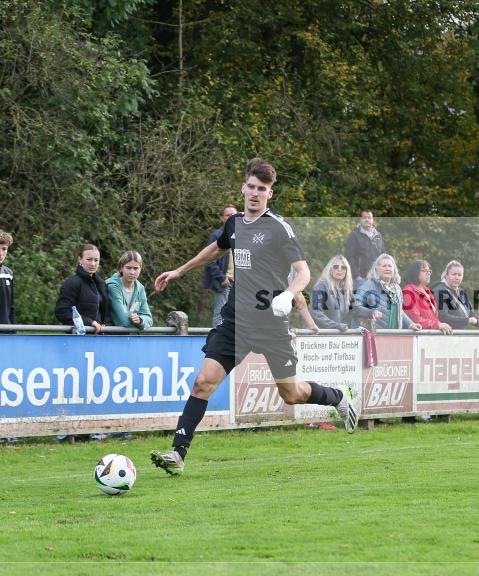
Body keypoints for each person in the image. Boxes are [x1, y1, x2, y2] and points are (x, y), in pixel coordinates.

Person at [149, 158, 362, 476]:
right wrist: (180, 270)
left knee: (290, 395)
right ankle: (178, 454)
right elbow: (217, 248)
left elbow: (303, 271)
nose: (255, 193)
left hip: (272, 323)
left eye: (262, 189)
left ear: (269, 194)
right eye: (251, 186)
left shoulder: (278, 229)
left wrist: (289, 295)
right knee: (202, 383)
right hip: (236, 320)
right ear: (243, 187)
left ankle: (338, 396)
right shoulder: (234, 223)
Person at [352, 254, 422, 331]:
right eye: (384, 266)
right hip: (373, 335)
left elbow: (399, 311)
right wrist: (371, 313)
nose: (387, 268)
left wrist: (411, 324)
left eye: (390, 266)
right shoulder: (369, 285)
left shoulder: (397, 289)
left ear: (394, 269)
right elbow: (355, 305)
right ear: (376, 269)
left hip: (393, 336)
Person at [54, 244, 110, 334]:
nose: (93, 264)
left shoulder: (101, 284)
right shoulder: (72, 283)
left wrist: (105, 324)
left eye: (96, 260)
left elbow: (106, 313)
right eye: (89, 259)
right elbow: (62, 312)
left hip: (99, 338)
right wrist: (90, 322)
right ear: (80, 259)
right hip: (77, 338)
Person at [203, 205, 237, 328]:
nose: (232, 217)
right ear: (222, 218)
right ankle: (216, 343)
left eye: (234, 214)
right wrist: (222, 277)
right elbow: (209, 260)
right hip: (225, 282)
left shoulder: (244, 235)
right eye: (228, 215)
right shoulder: (217, 235)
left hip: (241, 283)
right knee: (220, 313)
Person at [106, 251, 154, 330]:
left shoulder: (140, 288)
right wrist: (140, 326)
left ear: (140, 268)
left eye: (136, 268)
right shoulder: (112, 286)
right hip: (108, 336)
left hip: (128, 337)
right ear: (121, 268)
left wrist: (140, 321)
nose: (132, 272)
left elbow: (149, 319)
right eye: (128, 268)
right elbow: (123, 321)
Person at [431, 260, 479, 330]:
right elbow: (443, 317)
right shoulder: (439, 291)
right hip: (444, 335)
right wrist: (467, 320)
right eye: (454, 274)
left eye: (459, 275)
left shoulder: (462, 292)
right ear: (446, 275)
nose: (457, 277)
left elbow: (471, 314)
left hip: (459, 335)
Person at [402, 260, 452, 334]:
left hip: (429, 336)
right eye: (424, 270)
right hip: (417, 337)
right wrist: (437, 325)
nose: (428, 273)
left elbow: (433, 318)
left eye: (429, 271)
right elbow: (415, 320)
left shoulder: (427, 291)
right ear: (415, 273)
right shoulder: (408, 291)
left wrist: (441, 325)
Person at [310, 255, 353, 331]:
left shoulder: (345, 289)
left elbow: (355, 308)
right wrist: (335, 326)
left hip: (335, 335)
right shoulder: (321, 285)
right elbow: (316, 313)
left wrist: (371, 312)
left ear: (347, 271)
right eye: (336, 267)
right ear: (330, 269)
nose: (340, 269)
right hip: (318, 335)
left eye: (343, 267)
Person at [344, 209, 385, 287]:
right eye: (364, 217)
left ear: (373, 220)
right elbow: (349, 256)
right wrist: (356, 275)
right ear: (360, 220)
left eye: (369, 217)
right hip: (361, 279)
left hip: (377, 278)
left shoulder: (378, 236)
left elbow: (383, 256)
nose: (367, 219)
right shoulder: (354, 235)